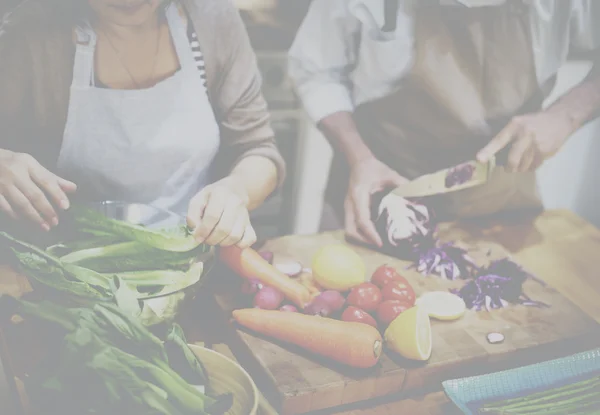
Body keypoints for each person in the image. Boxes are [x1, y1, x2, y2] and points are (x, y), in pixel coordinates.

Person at [288, 0, 600, 248]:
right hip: (377, 199)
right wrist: (360, 158)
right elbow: (316, 71)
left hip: (500, 206)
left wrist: (566, 115)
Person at [0, 0, 286, 248]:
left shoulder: (210, 20)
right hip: (67, 271)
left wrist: (237, 189)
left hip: (192, 264)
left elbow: (258, 149)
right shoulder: (31, 33)